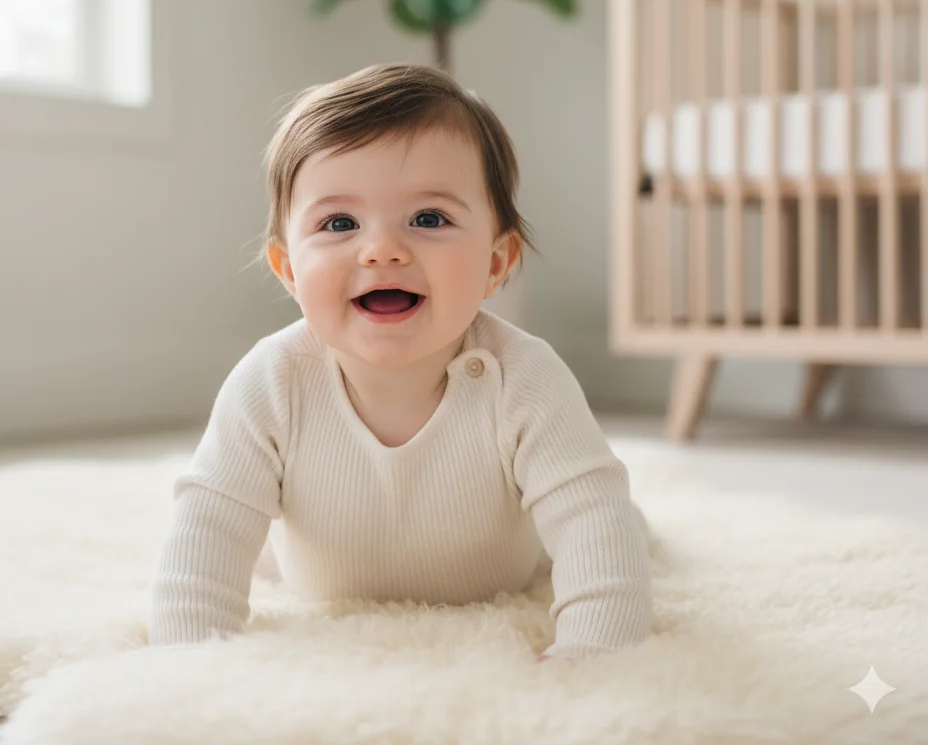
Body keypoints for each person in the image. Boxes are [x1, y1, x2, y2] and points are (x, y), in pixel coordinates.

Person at [148, 62, 652, 660]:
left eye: (428, 219)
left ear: (496, 263)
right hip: (315, 578)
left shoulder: (526, 377)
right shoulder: (272, 380)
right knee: (241, 534)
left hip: (510, 573)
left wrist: (594, 655)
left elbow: (591, 516)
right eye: (339, 223)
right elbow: (208, 525)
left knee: (616, 523)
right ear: (288, 270)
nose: (382, 250)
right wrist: (188, 662)